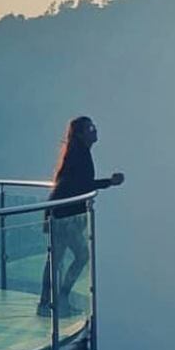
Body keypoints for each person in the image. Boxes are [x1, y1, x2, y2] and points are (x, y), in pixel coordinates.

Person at [38, 116, 124, 317]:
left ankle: (47, 303)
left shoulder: (76, 153)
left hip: (60, 212)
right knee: (80, 256)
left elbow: (72, 184)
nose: (95, 131)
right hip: (65, 215)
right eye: (90, 128)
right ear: (80, 134)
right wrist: (109, 182)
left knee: (56, 259)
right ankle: (61, 298)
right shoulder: (80, 154)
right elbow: (82, 184)